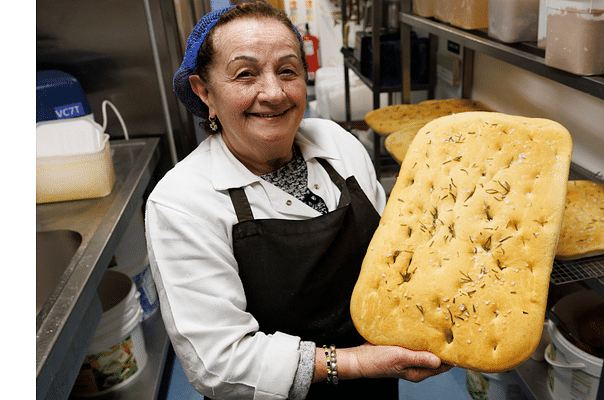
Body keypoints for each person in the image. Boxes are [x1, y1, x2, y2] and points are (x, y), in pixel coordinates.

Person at [145, 2, 451, 399]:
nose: (273, 93)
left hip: (375, 383)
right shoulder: (182, 201)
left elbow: (390, 259)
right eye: (245, 74)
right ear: (205, 91)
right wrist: (357, 362)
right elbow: (219, 365)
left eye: (287, 70)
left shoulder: (337, 142)